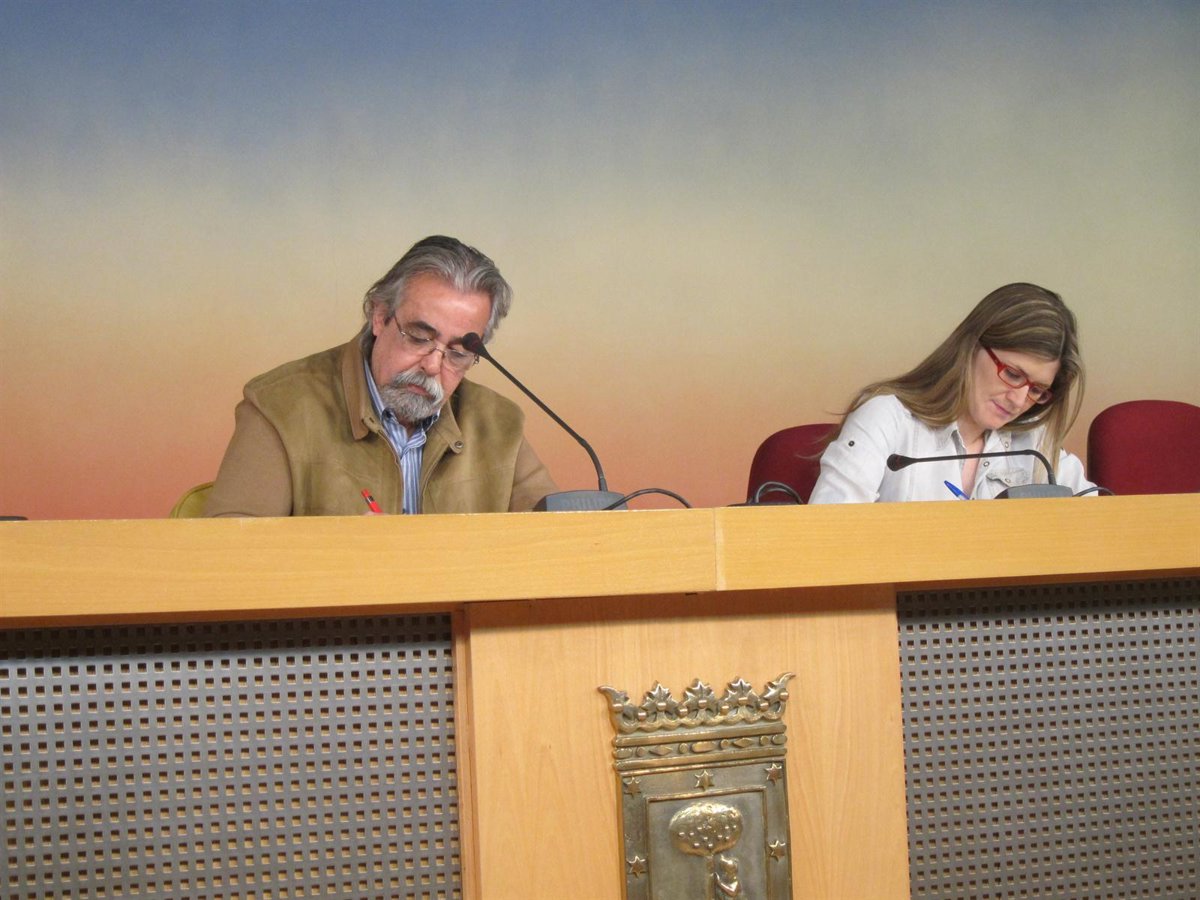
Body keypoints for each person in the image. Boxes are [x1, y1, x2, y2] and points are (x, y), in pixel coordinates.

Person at [206, 235, 558, 516]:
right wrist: (345, 557)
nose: (433, 366)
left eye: (458, 353)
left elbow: (558, 543)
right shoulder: (278, 407)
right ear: (379, 316)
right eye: (419, 337)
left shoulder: (500, 424)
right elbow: (229, 559)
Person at [809, 282, 1095, 503]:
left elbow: (1101, 522)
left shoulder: (1035, 444)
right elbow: (828, 536)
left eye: (1036, 390)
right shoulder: (886, 418)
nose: (1019, 400)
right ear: (971, 347)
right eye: (1012, 374)